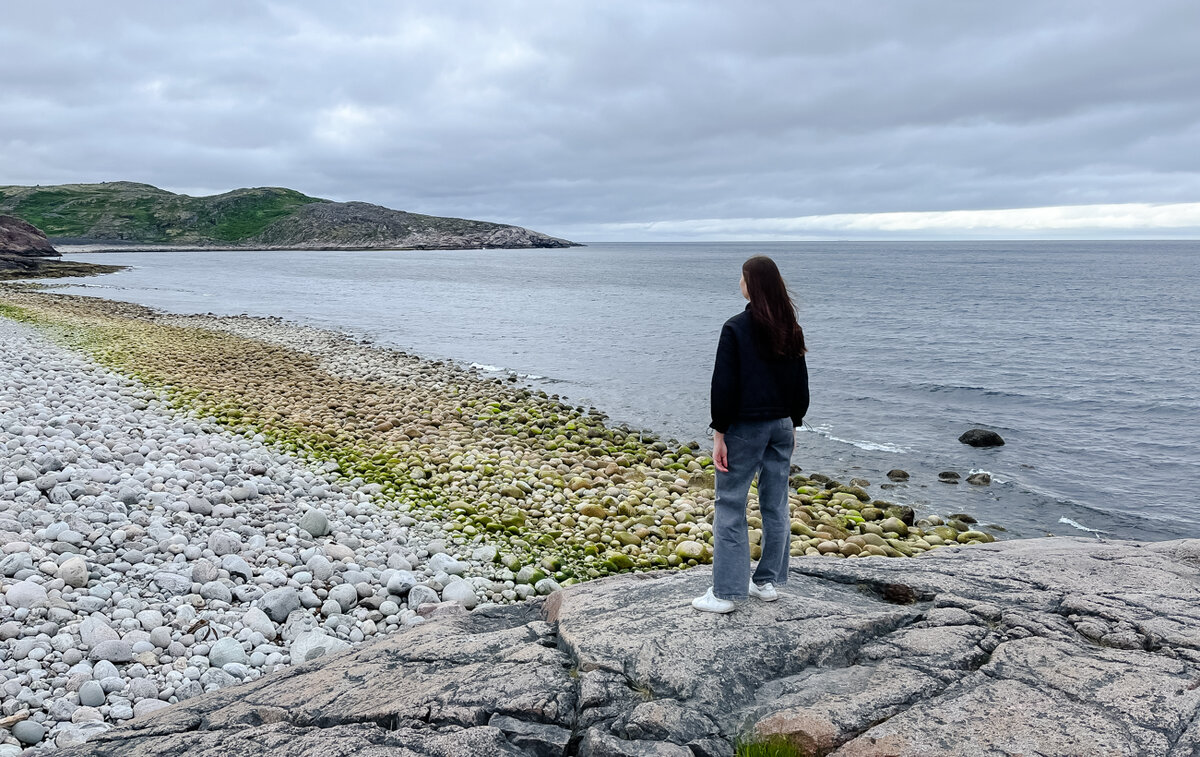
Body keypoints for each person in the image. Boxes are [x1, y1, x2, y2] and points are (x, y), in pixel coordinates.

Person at [692, 255, 809, 613]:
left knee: (730, 505)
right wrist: (794, 422)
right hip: (781, 425)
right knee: (775, 504)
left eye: (741, 278)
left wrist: (719, 433)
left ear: (751, 284)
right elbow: (799, 382)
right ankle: (766, 582)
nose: (738, 284)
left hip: (746, 427)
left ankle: (726, 593)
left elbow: (723, 385)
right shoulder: (790, 326)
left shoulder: (736, 328)